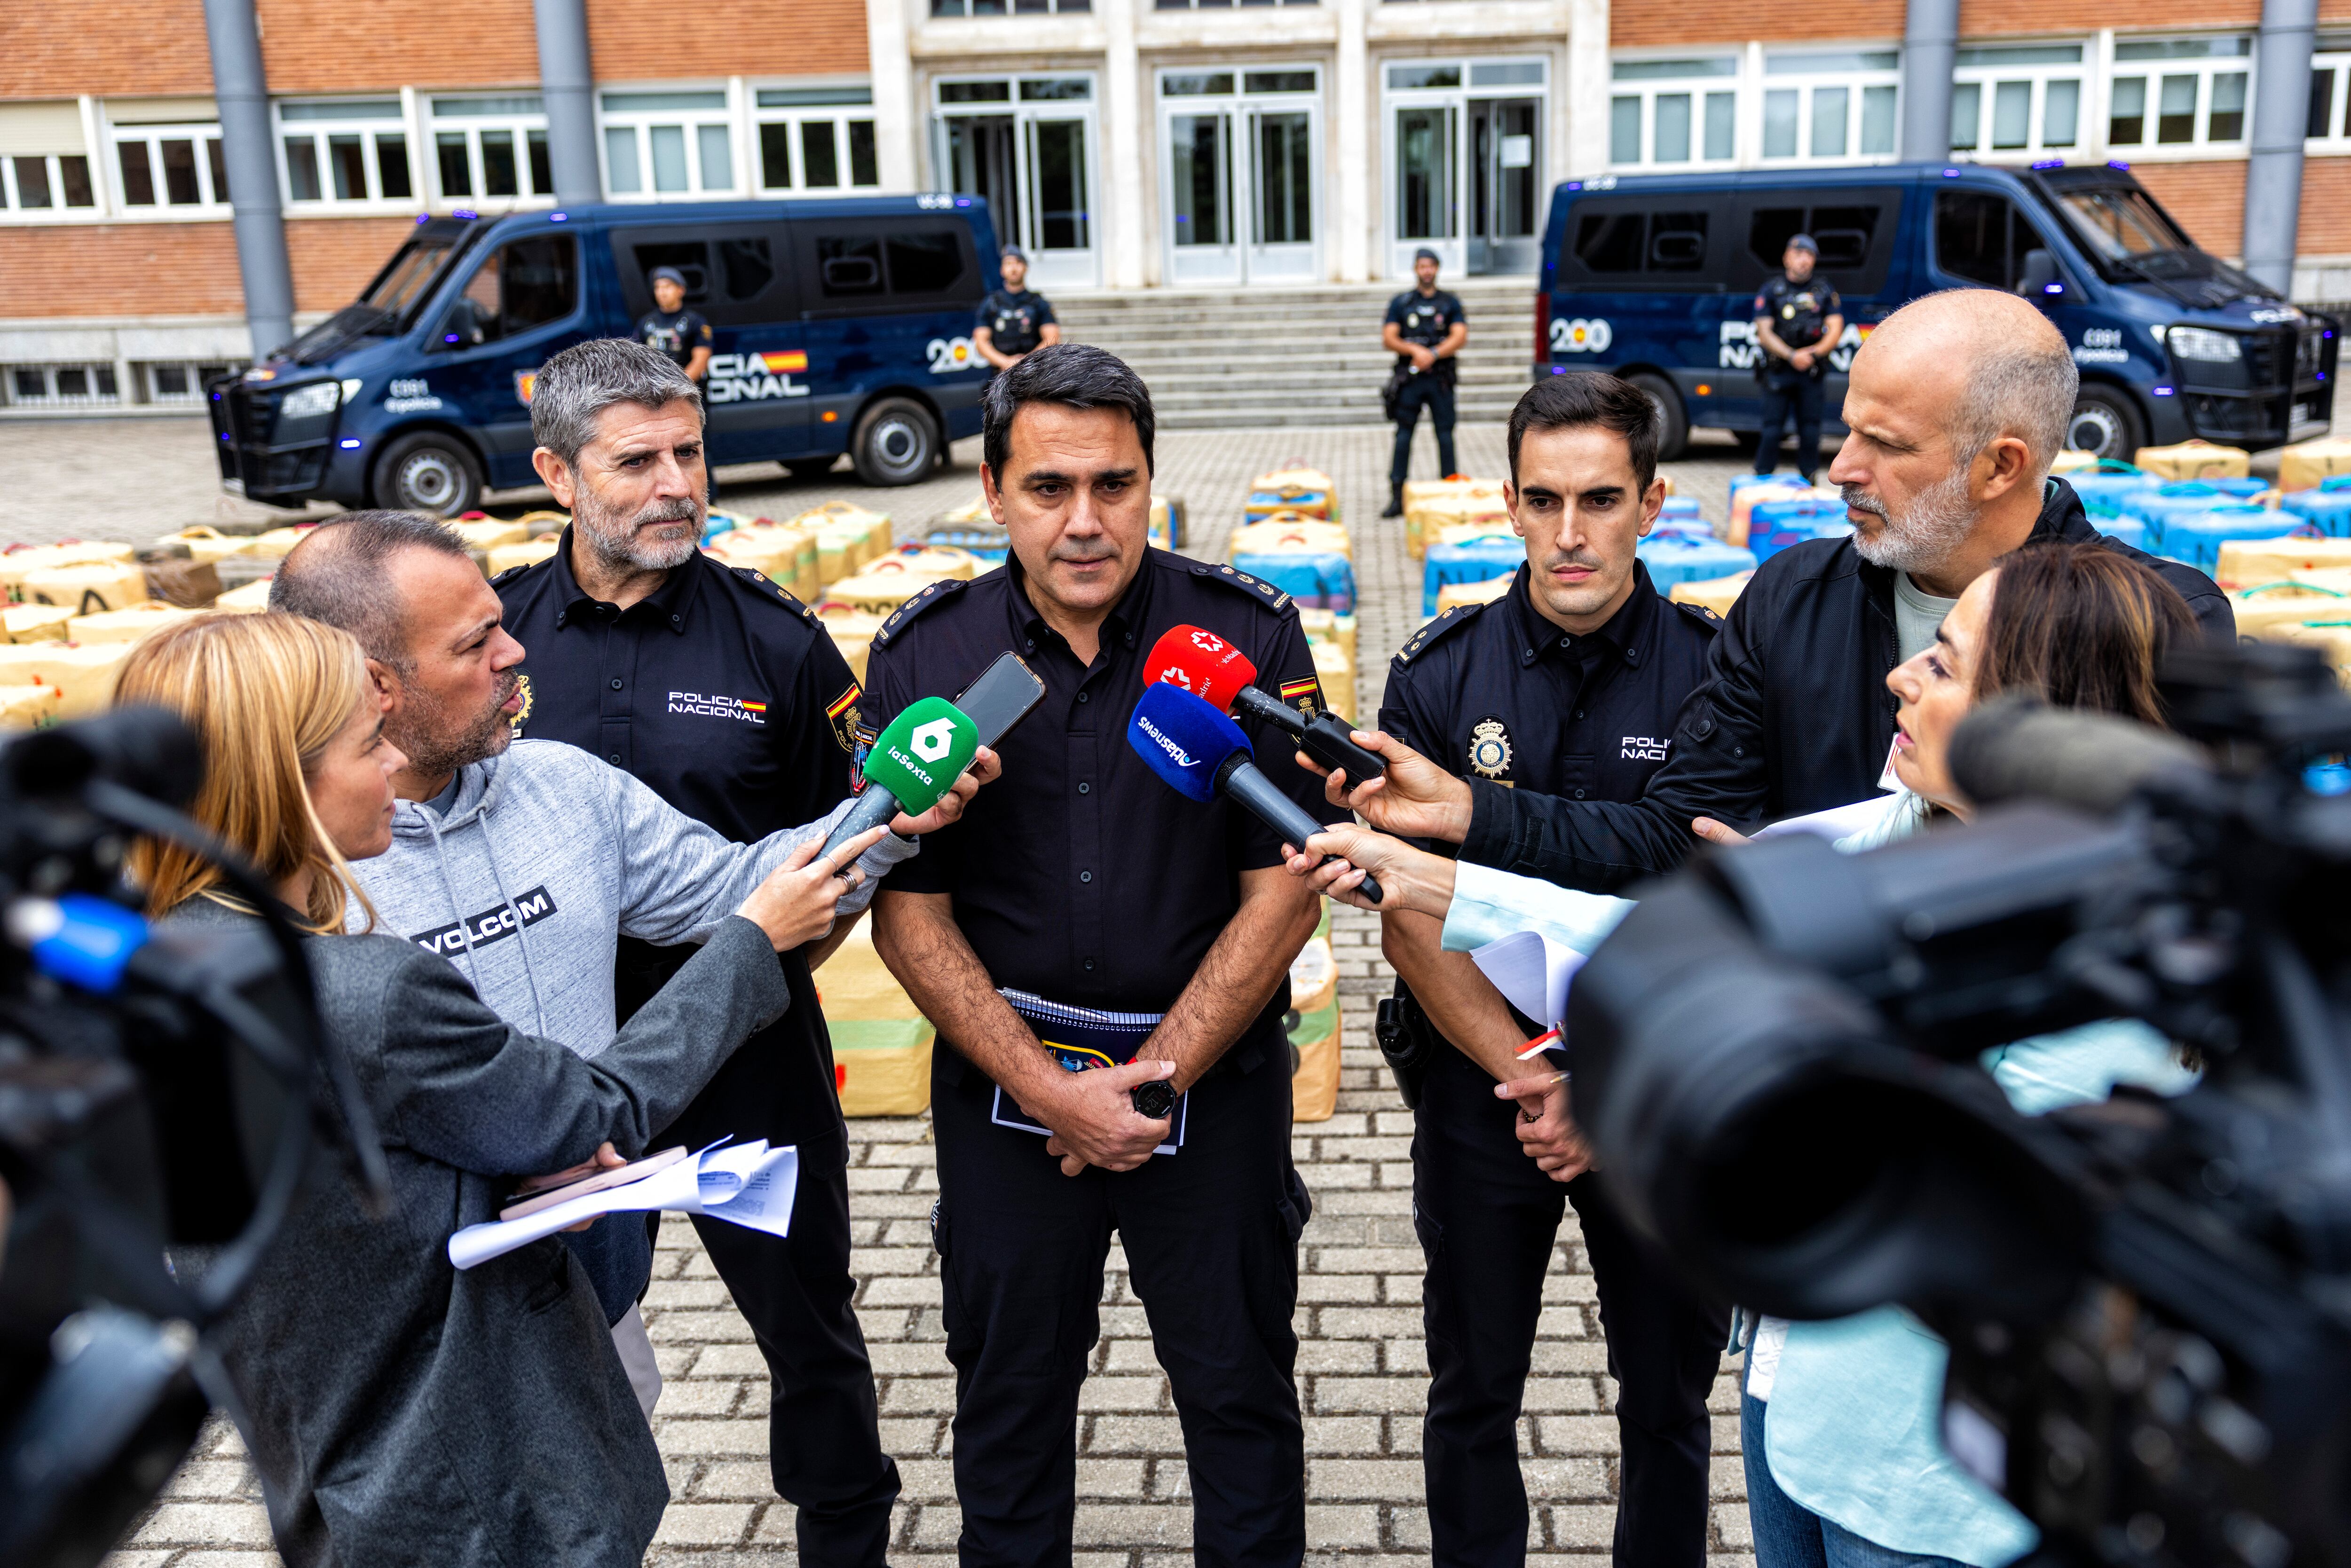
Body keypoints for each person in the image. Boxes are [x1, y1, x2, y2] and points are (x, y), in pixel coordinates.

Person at [1285, 541, 2205, 1568]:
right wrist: (1417, 874)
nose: (1900, 674)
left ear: (2036, 720)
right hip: (1794, 1410)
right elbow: (1647, 927)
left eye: (1942, 663)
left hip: (1924, 1490)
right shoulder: (1892, 827)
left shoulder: (2117, 956)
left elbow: (1960, 1193)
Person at [122, 610, 894, 1568]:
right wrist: (749, 939)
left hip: (327, 1469)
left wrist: (480, 1182)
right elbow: (594, 1111)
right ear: (286, 780)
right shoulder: (371, 991)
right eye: (369, 746)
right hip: (469, 1482)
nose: (392, 774)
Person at [267, 510, 991, 1415]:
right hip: (416, 1344)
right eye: (476, 642)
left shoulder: (564, 786)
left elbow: (735, 886)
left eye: (501, 622)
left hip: (594, 1287)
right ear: (375, 682)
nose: (514, 654)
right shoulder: (282, 885)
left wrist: (886, 818)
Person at [861, 343, 1342, 1567]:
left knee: (1239, 1402)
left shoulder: (1240, 635)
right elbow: (910, 916)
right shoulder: (929, 660)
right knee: (1010, 1414)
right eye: (1049, 488)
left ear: (1150, 479)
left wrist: (1157, 1076)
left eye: (1116, 485)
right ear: (990, 487)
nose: (1086, 521)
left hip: (1212, 1086)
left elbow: (1288, 886)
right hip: (1008, 1098)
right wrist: (1049, 1090)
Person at [1325, 288, 2233, 894]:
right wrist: (1474, 813)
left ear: (2002, 465)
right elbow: (1674, 837)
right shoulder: (1793, 597)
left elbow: (2166, 893)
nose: (1842, 469)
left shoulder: (2157, 627)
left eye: (1886, 445)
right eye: (1846, 432)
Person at [494, 335, 908, 1565]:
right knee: (547, 1331)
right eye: (638, 461)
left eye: (691, 452)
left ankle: (847, 1539)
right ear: (558, 475)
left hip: (746, 1065)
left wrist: (760, 979)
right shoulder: (497, 637)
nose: (678, 482)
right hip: (553, 1073)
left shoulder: (781, 645)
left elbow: (850, 845)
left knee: (808, 1329)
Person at [1369, 372, 1728, 1568]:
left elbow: (1721, 904)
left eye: (1601, 499)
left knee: (1669, 1402)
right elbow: (1410, 913)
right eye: (1544, 500)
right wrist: (1532, 1072)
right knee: (1472, 1391)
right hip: (1486, 1090)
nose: (1570, 533)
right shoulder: (1438, 675)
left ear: (1655, 503)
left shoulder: (1722, 679)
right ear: (1507, 505)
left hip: (1666, 1093)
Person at [1381, 247, 1468, 518]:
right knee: (1404, 435)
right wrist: (1415, 351)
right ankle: (1397, 497)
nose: (1426, 271)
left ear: (1437, 269)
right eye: (1422, 266)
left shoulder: (1450, 302)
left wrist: (1433, 354)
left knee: (1445, 435)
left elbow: (1460, 335)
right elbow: (1389, 337)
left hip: (1440, 380)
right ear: (1416, 269)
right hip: (1411, 379)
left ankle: (1450, 490)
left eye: (1431, 266)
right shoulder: (1402, 302)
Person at [1750, 236, 1843, 485]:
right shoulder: (1772, 290)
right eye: (1798, 254)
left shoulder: (1823, 291)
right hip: (1779, 370)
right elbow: (1764, 331)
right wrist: (1791, 355)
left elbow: (1835, 327)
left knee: (1810, 431)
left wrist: (1812, 354)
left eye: (1809, 255)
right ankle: (1761, 483)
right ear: (1786, 258)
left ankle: (1808, 485)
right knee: (1771, 431)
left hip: (1811, 371)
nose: (1804, 260)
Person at [973, 246, 1060, 371]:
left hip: (1033, 371)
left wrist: (1025, 362)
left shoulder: (1038, 303)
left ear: (1026, 268)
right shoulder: (992, 303)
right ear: (1002, 270)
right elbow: (981, 342)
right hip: (1001, 374)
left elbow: (1053, 338)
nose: (1013, 269)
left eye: (1018, 263)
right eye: (1008, 264)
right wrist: (1005, 362)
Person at [637, 266, 713, 388]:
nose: (662, 292)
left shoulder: (695, 321)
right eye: (658, 288)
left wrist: (676, 388)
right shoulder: (646, 322)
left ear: (681, 290)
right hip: (655, 392)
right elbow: (637, 360)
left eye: (667, 287)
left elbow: (701, 360)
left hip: (687, 391)